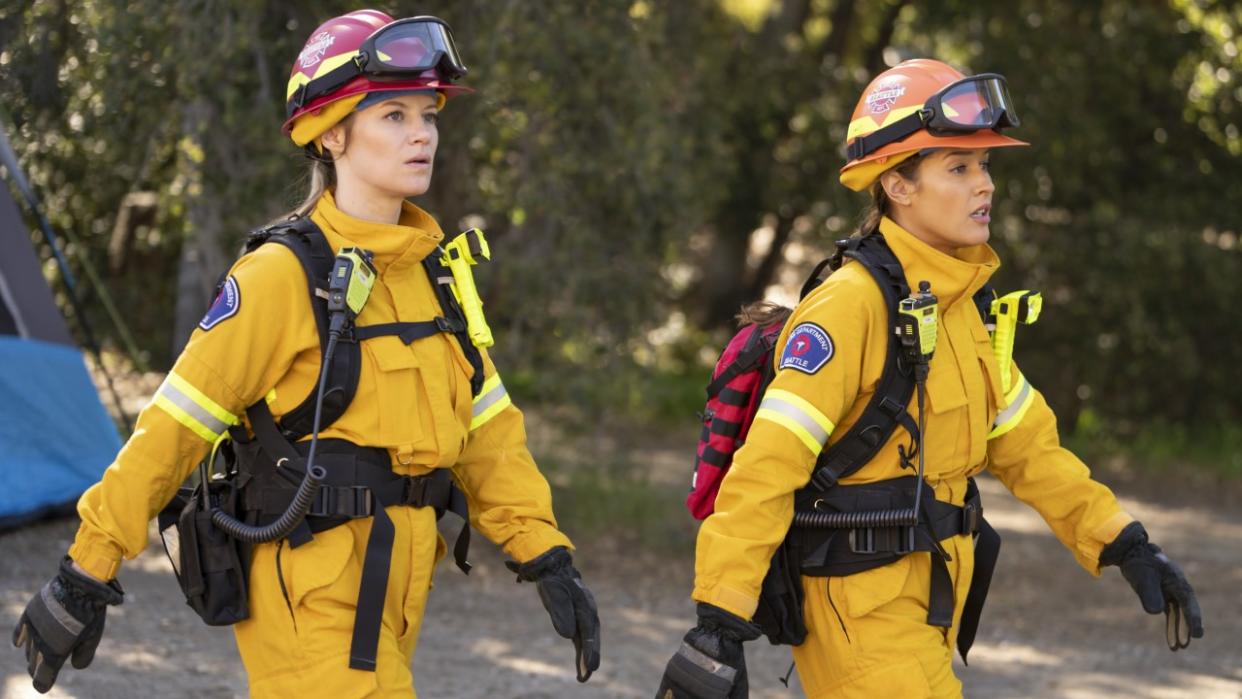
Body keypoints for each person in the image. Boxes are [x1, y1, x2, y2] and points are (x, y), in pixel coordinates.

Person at [11, 10, 600, 697]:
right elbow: (173, 426)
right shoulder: (281, 276)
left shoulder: (433, 273)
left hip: (399, 591)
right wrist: (85, 569)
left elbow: (488, 429)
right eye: (393, 116)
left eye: (429, 115)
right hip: (310, 596)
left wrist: (546, 553)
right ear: (332, 134)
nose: (422, 134)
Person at [656, 58, 1203, 699]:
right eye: (959, 167)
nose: (986, 185)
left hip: (928, 605)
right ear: (898, 186)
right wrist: (719, 621)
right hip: (860, 615)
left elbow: (1027, 446)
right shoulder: (849, 304)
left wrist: (1122, 541)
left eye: (987, 166)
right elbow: (767, 467)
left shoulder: (959, 307)